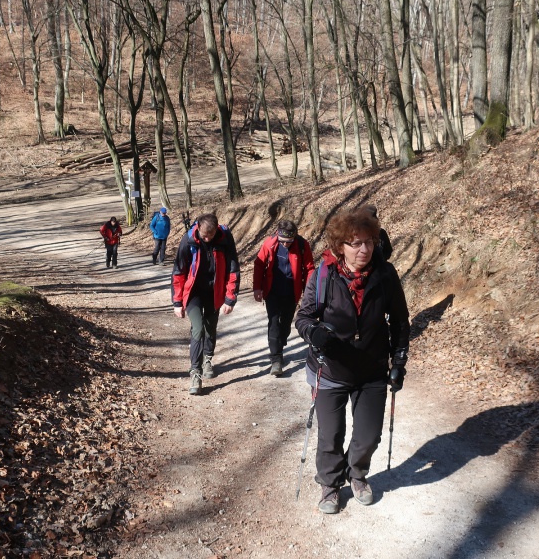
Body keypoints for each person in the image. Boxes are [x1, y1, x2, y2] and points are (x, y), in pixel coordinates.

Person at [295, 207, 409, 514]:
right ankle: (330, 484)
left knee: (369, 436)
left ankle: (357, 474)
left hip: (372, 369)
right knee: (330, 435)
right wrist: (314, 334)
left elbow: (400, 321)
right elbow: (303, 317)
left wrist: (399, 361)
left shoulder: (385, 275)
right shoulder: (324, 274)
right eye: (355, 243)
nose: (364, 249)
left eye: (369, 242)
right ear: (339, 246)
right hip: (330, 370)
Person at [171, 213, 240, 395]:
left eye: (211, 235)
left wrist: (230, 298)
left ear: (216, 229)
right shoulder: (188, 240)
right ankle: (195, 372)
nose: (207, 239)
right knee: (198, 328)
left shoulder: (225, 239)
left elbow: (233, 269)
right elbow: (179, 271)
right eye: (204, 235)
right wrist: (177, 301)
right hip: (193, 292)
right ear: (198, 228)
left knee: (210, 327)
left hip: (214, 292)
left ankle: (207, 359)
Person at [252, 220, 314, 376]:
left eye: (289, 241)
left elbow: (309, 268)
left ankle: (280, 343)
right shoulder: (269, 244)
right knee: (274, 323)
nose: (285, 244)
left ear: (294, 237)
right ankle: (276, 359)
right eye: (282, 241)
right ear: (278, 235)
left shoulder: (302, 245)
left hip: (292, 292)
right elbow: (259, 265)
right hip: (272, 291)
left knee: (285, 325)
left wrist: (309, 291)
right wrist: (257, 288)